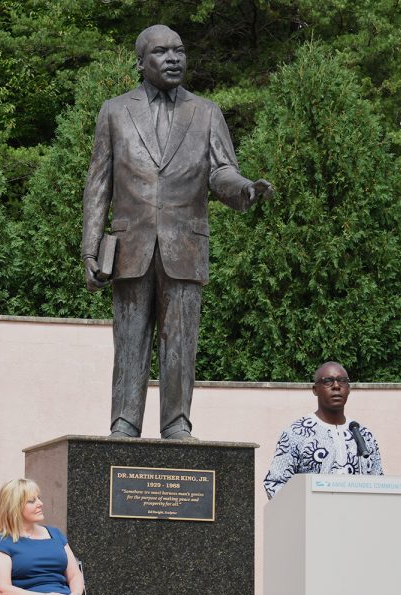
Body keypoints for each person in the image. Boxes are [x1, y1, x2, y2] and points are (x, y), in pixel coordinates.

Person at [81, 24, 274, 440]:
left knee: (181, 342)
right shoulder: (114, 111)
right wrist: (89, 251)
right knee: (130, 340)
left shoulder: (206, 112)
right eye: (162, 52)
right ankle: (124, 423)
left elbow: (222, 170)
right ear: (141, 63)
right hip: (130, 246)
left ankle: (177, 424)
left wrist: (243, 189)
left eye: (180, 51)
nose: (173, 59)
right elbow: (99, 184)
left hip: (185, 244)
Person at [263, 361, 385, 499]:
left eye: (342, 381)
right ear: (315, 390)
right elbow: (274, 484)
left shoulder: (363, 435)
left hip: (357, 518)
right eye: (328, 381)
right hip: (312, 518)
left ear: (349, 389)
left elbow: (379, 484)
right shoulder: (296, 433)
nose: (336, 386)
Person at [0, 479, 84, 595]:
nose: (40, 503)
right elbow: (3, 590)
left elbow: (74, 574)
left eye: (38, 498)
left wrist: (76, 594)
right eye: (32, 501)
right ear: (14, 507)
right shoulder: (1, 542)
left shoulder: (55, 534)